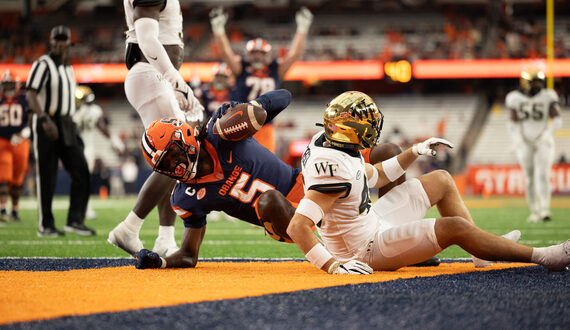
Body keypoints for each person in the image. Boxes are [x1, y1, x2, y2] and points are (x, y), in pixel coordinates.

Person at [285, 91, 569, 274]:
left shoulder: (329, 144)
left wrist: (415, 151)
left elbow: (376, 176)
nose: (373, 130)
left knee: (442, 180)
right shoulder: (332, 167)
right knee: (454, 227)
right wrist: (334, 265)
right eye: (367, 126)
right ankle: (543, 256)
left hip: (370, 221)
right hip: (363, 249)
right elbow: (298, 227)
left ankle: (481, 253)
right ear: (348, 130)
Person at [132, 90, 409, 269]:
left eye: (173, 156)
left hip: (309, 184)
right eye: (166, 165)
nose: (176, 166)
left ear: (188, 138)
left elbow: (284, 96)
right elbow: (189, 255)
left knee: (389, 152)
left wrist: (254, 110)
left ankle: (398, 236)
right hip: (284, 217)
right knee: (268, 200)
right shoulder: (185, 197)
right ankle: (331, 254)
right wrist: (162, 262)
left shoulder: (220, 132)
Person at [108, 0, 204, 257]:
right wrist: (176, 79)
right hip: (151, 75)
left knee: (172, 160)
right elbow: (147, 40)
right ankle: (129, 228)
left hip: (152, 76)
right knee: (179, 153)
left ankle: (165, 237)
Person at [209, 6, 313, 153]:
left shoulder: (275, 69)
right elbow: (225, 53)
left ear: (267, 55)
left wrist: (302, 28)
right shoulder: (241, 68)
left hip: (265, 126)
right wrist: (218, 30)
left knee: (265, 168)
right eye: (254, 52)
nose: (257, 56)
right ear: (248, 54)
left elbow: (294, 54)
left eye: (261, 53)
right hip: (240, 122)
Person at [26, 25, 95, 237]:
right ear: (51, 41)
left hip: (67, 122)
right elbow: (31, 93)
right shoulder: (43, 64)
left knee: (81, 170)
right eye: (56, 39)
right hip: (48, 120)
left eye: (64, 39)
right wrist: (44, 119)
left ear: (69, 43)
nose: (59, 43)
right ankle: (45, 225)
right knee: (47, 175)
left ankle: (75, 220)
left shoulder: (68, 67)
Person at [506, 71, 562, 223]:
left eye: (538, 81)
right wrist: (518, 139)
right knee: (530, 178)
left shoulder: (548, 95)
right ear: (525, 82)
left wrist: (547, 134)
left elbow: (557, 118)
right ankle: (534, 211)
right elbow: (512, 122)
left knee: (543, 175)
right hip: (525, 141)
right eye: (534, 81)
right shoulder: (515, 98)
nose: (537, 84)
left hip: (543, 140)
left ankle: (544, 209)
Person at [73, 85, 125, 219]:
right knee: (81, 180)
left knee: (83, 180)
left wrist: (113, 139)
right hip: (79, 148)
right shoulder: (79, 112)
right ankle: (82, 208)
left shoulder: (85, 111)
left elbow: (101, 127)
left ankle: (83, 208)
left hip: (82, 148)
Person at [0, 71, 29, 222]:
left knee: (17, 178)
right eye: (6, 84)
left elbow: (32, 118)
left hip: (20, 142)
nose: (8, 87)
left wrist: (25, 132)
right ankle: (3, 209)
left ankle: (15, 210)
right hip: (2, 142)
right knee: (3, 177)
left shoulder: (25, 99)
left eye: (11, 84)